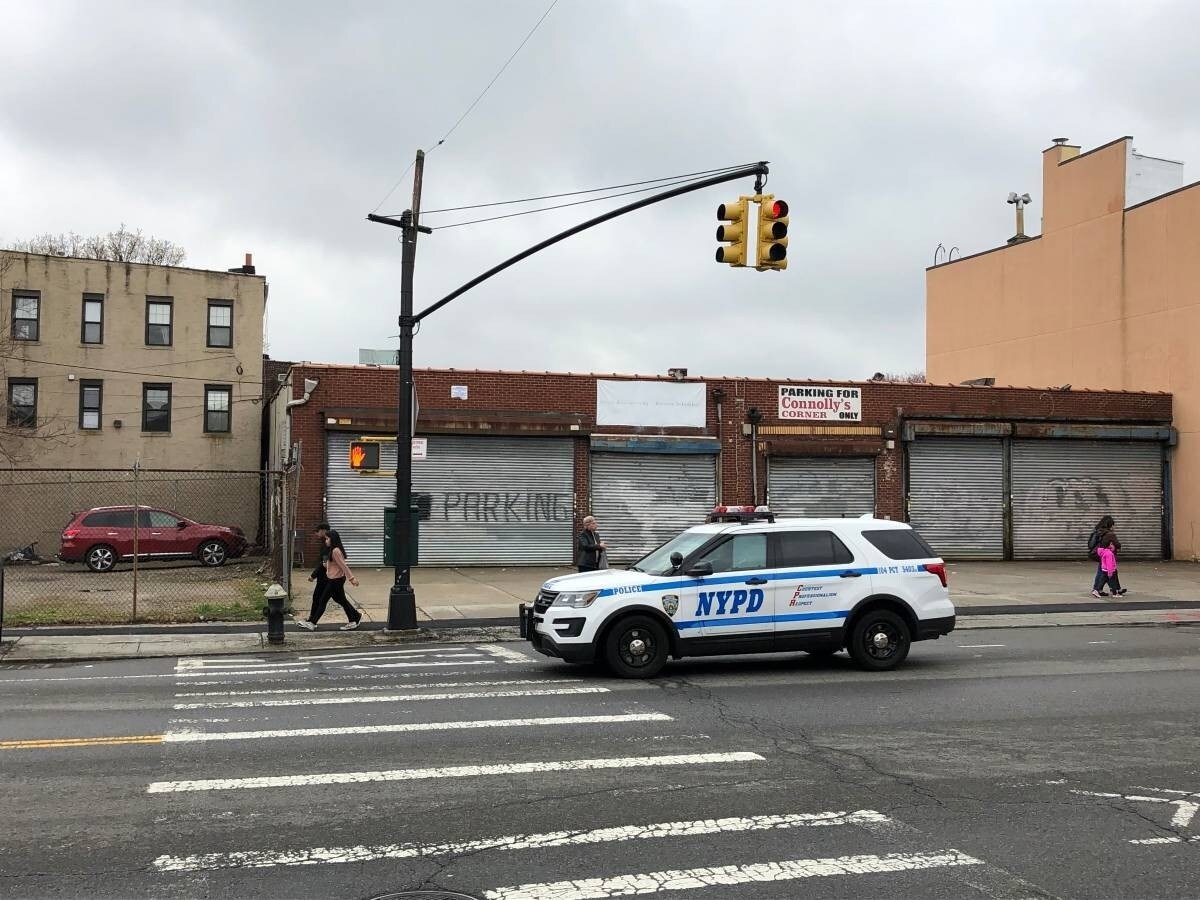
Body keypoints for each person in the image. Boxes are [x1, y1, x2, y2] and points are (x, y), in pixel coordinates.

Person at [298, 529, 361, 630]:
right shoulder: (332, 550)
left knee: (323, 600)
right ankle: (355, 618)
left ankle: (313, 623)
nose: (325, 541)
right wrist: (326, 565)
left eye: (327, 539)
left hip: (336, 580)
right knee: (341, 600)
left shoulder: (336, 551)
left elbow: (343, 566)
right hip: (335, 579)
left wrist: (352, 579)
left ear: (333, 539)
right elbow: (334, 565)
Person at [1088, 515, 1120, 597]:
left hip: (1100, 553)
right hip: (1107, 555)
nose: (1113, 526)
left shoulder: (1098, 531)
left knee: (1103, 571)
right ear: (1109, 524)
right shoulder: (1109, 534)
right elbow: (1118, 545)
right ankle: (1099, 589)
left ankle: (1113, 589)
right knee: (1108, 572)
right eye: (1112, 525)